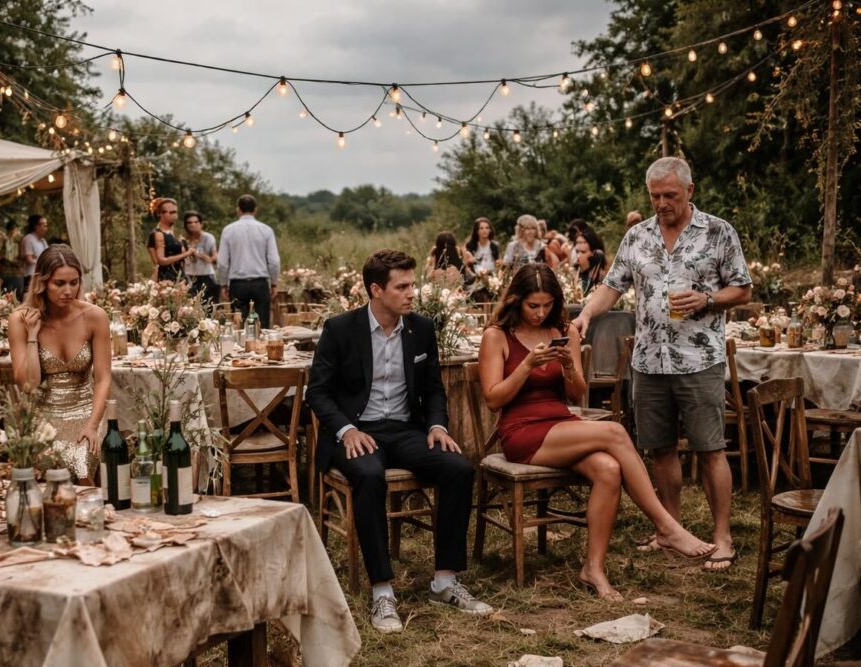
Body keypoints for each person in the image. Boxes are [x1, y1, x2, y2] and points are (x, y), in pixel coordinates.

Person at [480, 264, 716, 599]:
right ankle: (666, 527)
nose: (540, 312)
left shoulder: (564, 330)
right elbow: (493, 399)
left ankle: (594, 568)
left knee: (609, 469)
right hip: (522, 431)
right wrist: (527, 366)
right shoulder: (497, 335)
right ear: (517, 301)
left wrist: (565, 365)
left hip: (561, 424)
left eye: (547, 304)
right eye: (533, 306)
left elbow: (576, 395)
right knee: (615, 433)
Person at [573, 157, 752, 572]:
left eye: (670, 195)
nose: (661, 203)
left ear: (690, 191)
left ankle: (722, 537)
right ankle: (669, 530)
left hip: (698, 358)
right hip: (649, 361)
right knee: (660, 449)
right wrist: (586, 314)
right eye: (655, 196)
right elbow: (612, 286)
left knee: (710, 450)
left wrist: (708, 299)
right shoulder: (638, 236)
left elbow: (742, 289)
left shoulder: (718, 231)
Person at [306, 249, 488, 633]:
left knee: (458, 468)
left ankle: (445, 581)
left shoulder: (421, 329)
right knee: (369, 475)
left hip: (406, 429)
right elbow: (317, 393)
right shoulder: (340, 329)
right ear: (376, 290)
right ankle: (382, 591)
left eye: (412, 284)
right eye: (402, 286)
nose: (412, 293)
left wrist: (438, 426)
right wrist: (347, 430)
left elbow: (435, 390)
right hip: (356, 429)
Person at [8, 245, 112, 484]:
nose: (69, 291)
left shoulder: (95, 316)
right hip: (42, 415)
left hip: (87, 410)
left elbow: (103, 378)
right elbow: (28, 385)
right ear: (41, 283)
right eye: (60, 283)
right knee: (45, 462)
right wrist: (33, 336)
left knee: (80, 458)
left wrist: (93, 426)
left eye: (74, 282)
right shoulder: (19, 320)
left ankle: (89, 514)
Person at [217, 194, 280, 328]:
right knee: (262, 324)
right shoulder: (266, 230)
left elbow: (222, 262)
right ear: (255, 210)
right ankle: (262, 348)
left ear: (238, 209)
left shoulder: (228, 230)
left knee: (239, 324)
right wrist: (274, 283)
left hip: (237, 284)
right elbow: (274, 261)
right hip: (260, 283)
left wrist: (223, 284)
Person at [146, 198, 189, 283]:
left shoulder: (175, 233)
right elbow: (161, 261)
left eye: (175, 212)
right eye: (171, 212)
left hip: (180, 277)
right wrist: (186, 254)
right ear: (160, 214)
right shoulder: (158, 234)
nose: (175, 216)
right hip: (166, 279)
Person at [181, 210, 218, 306]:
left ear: (200, 224)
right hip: (190, 276)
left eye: (196, 222)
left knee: (208, 307)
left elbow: (214, 257)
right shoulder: (184, 239)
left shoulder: (208, 238)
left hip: (206, 276)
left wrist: (198, 254)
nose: (193, 225)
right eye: (189, 222)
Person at [20, 215, 49, 293]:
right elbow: (29, 259)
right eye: (44, 226)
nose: (46, 229)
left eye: (46, 226)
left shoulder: (43, 241)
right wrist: (42, 261)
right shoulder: (28, 239)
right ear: (36, 226)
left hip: (43, 275)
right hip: (31, 275)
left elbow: (49, 256)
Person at [0, 220, 25, 299]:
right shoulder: (3, 241)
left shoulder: (20, 241)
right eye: (12, 229)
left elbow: (22, 256)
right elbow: (1, 256)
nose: (14, 231)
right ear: (8, 230)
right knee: (7, 295)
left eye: (15, 229)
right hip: (7, 272)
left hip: (17, 272)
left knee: (18, 295)